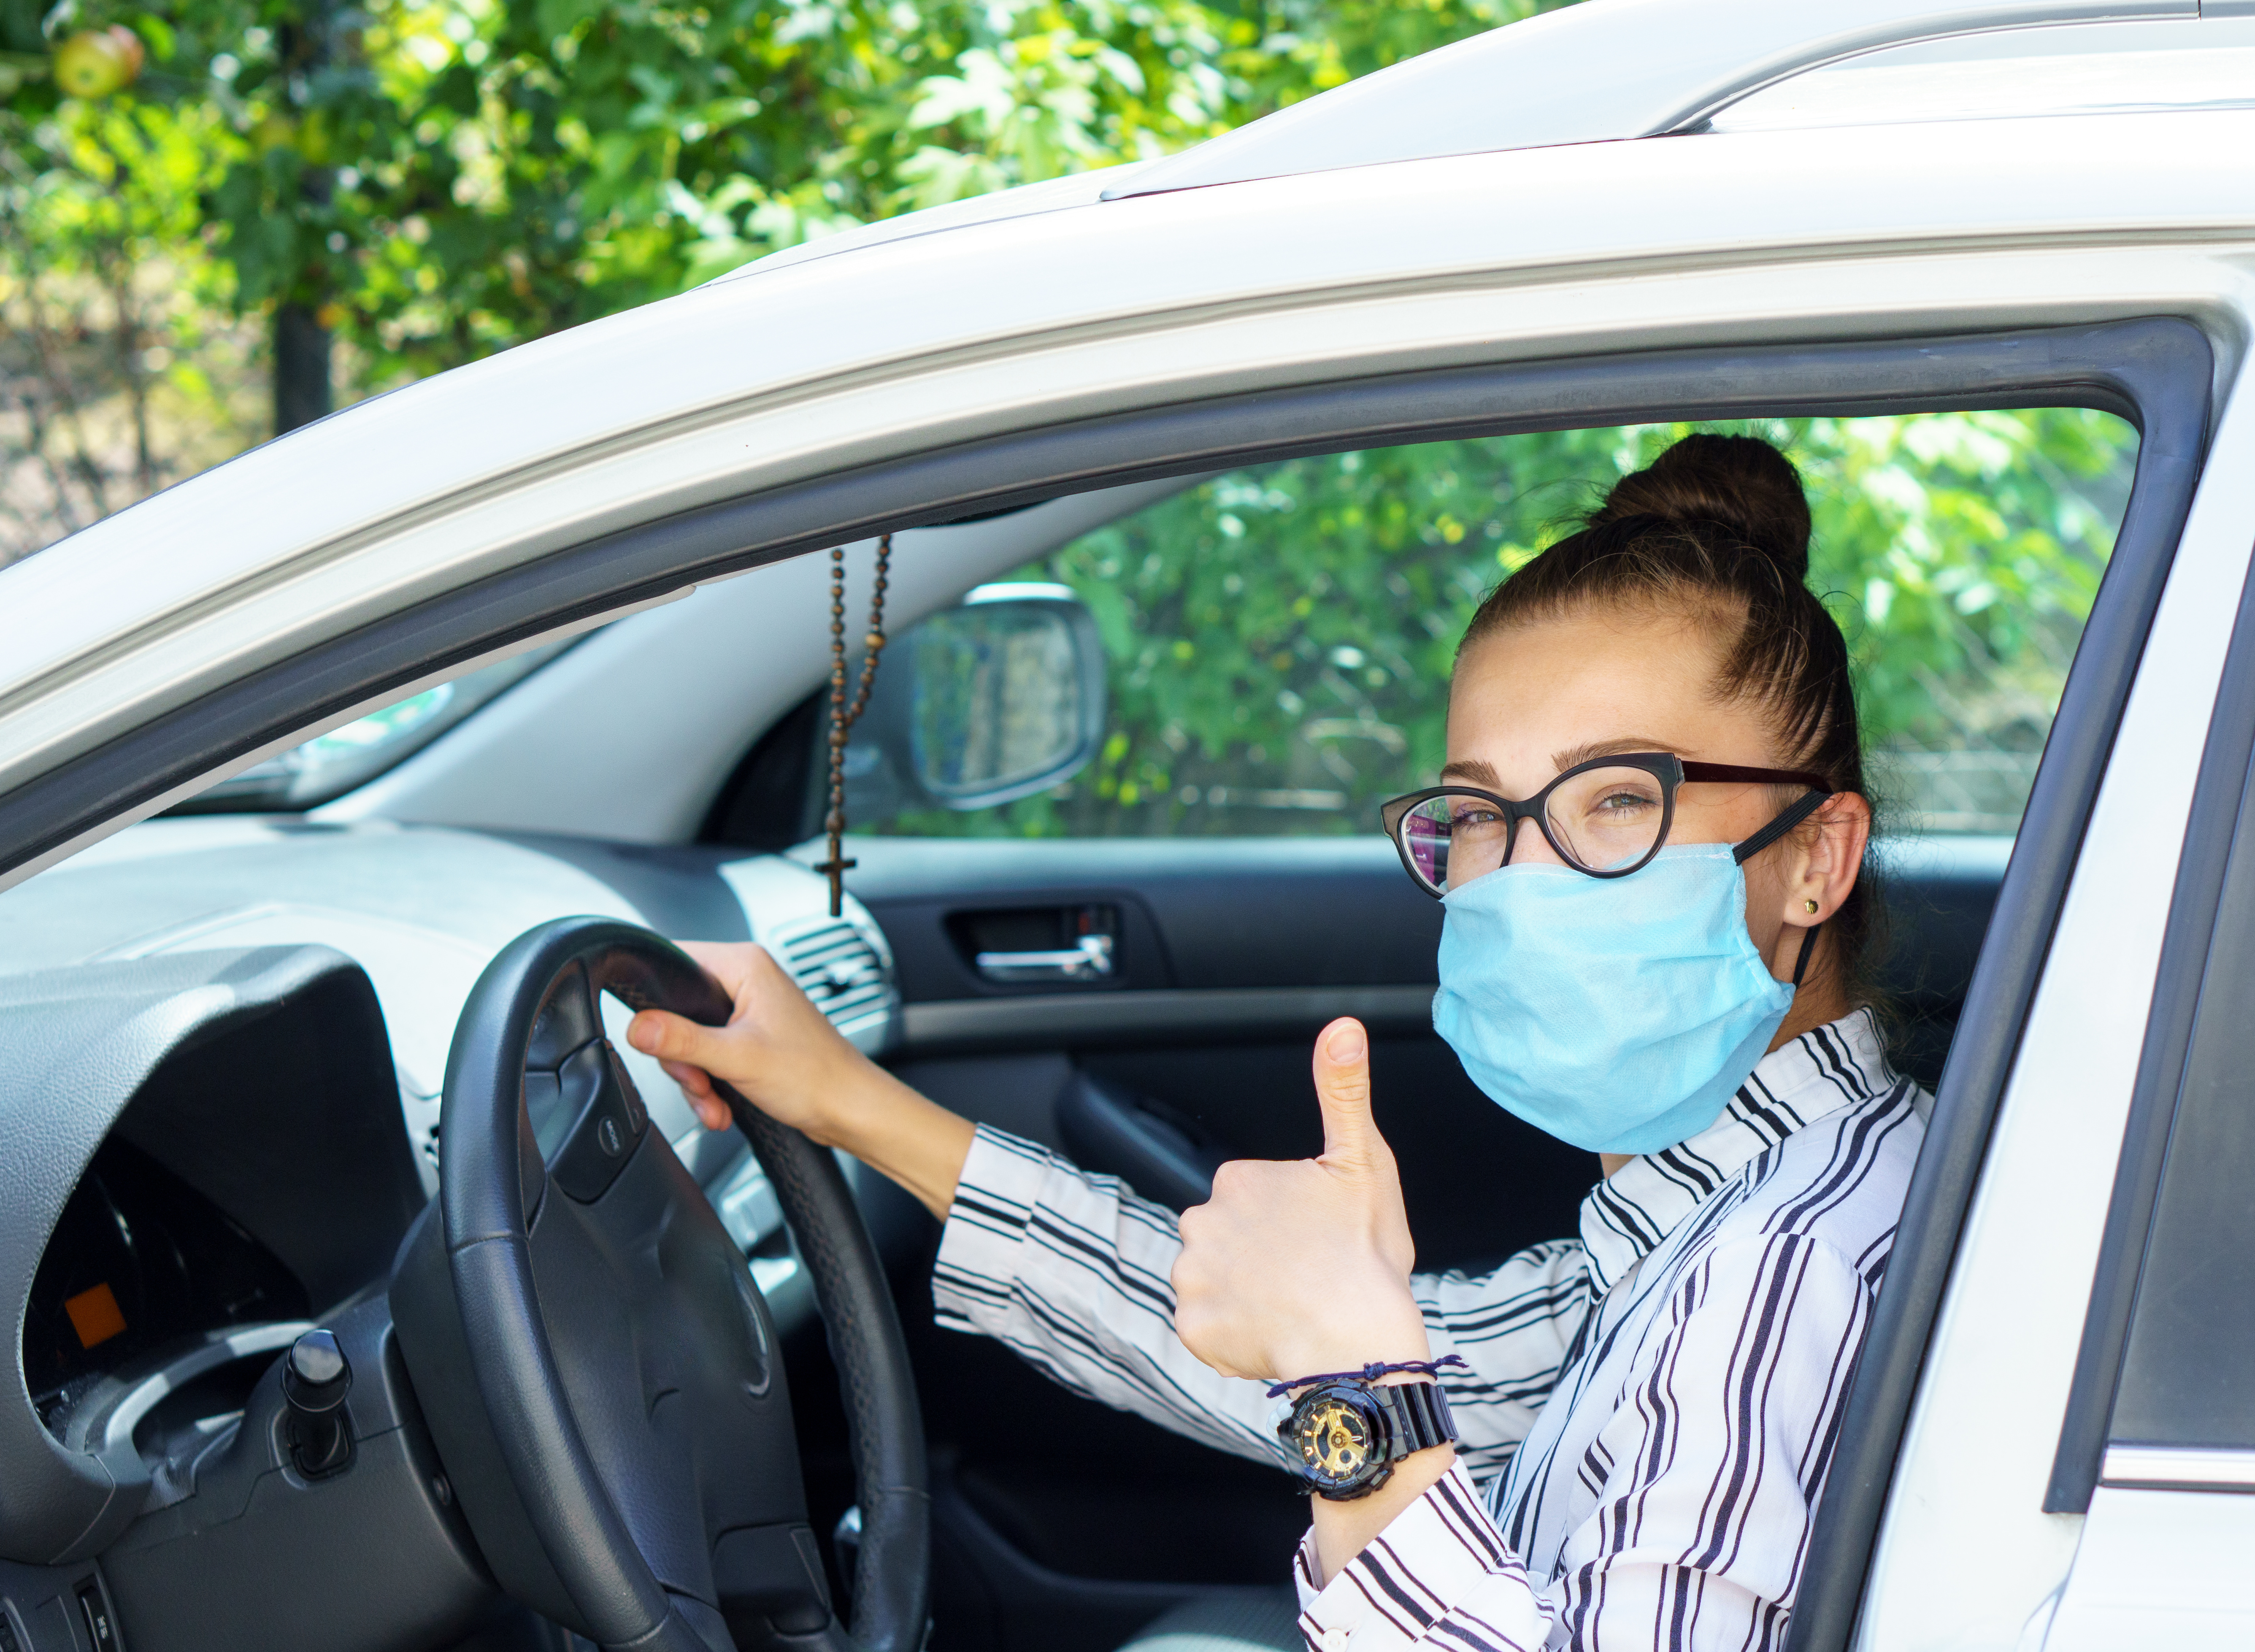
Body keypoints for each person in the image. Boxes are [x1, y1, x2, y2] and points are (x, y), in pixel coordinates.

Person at [627, 433, 1928, 1652]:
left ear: (1816, 857)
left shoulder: (1783, 1273)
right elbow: (1288, 1358)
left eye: (1619, 800)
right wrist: (845, 1101)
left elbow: (1359, 1375)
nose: (1520, 876)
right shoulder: (1721, 1209)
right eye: (1478, 816)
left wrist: (1350, 1371)